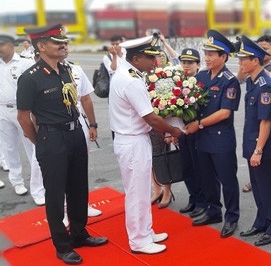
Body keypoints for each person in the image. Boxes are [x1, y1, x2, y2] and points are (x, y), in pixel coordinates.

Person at [17, 24, 108, 265]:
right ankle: (62, 244)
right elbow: (23, 117)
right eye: (57, 42)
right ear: (42, 45)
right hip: (51, 138)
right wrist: (41, 142)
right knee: (56, 195)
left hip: (75, 133)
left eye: (64, 41)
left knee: (78, 188)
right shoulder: (30, 78)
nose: (64, 45)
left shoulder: (67, 70)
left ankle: (79, 234)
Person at [109, 35, 183, 254]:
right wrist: (173, 130)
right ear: (137, 58)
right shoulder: (131, 80)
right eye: (151, 58)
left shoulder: (127, 73)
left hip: (133, 140)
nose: (155, 62)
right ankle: (139, 240)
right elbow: (150, 117)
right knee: (136, 193)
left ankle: (146, 231)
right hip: (132, 141)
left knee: (141, 191)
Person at [185, 30, 241, 239]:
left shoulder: (230, 81)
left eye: (211, 54)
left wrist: (198, 124)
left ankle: (232, 217)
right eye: (206, 53)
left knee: (227, 181)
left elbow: (224, 113)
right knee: (207, 179)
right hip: (202, 139)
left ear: (223, 56)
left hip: (220, 139)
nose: (206, 58)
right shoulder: (200, 76)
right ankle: (213, 211)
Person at [236, 35, 271, 247]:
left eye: (243, 59)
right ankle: (261, 221)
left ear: (255, 61)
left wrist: (258, 150)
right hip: (251, 142)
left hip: (262, 146)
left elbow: (266, 121)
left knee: (269, 186)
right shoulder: (252, 82)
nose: (240, 63)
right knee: (257, 185)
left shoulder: (265, 85)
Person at [0, 33, 34, 196]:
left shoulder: (25, 62)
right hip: (2, 110)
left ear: (11, 45)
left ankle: (38, 183)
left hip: (23, 110)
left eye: (2, 45)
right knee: (9, 147)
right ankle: (17, 181)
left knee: (32, 148)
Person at [176, 48, 207, 218]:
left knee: (199, 168)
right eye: (184, 62)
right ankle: (193, 197)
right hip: (182, 131)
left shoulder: (201, 83)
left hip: (198, 131)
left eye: (190, 62)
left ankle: (203, 201)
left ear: (198, 65)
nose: (186, 66)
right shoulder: (177, 82)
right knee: (186, 167)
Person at [149, 50, 174, 209]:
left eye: (161, 56)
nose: (158, 58)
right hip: (148, 122)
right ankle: (156, 189)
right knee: (150, 158)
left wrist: (169, 129)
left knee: (164, 157)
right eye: (155, 56)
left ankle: (167, 190)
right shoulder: (145, 76)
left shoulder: (170, 76)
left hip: (163, 122)